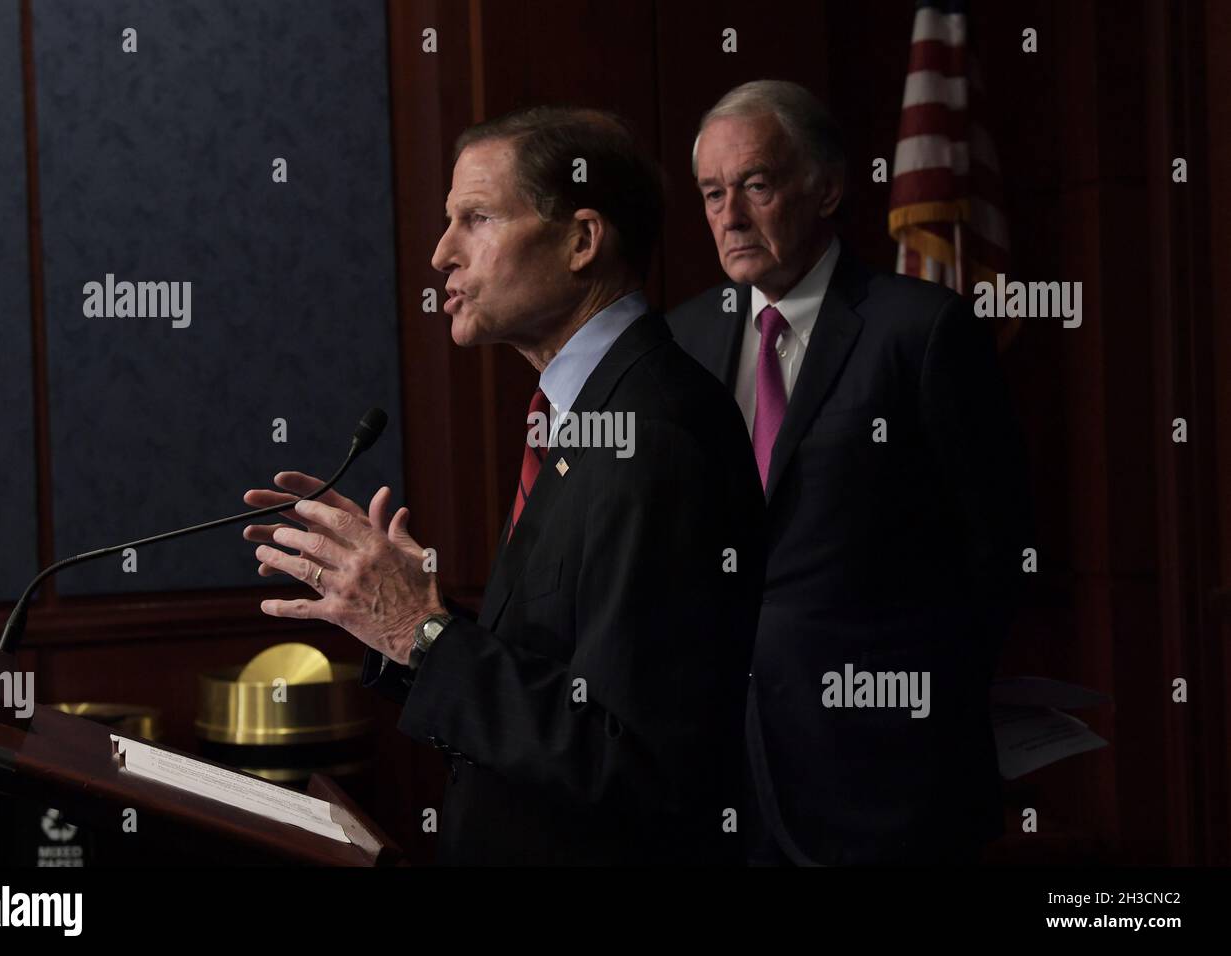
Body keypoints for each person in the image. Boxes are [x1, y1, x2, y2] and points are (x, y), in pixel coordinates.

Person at [243, 107, 765, 865]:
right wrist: (402, 623)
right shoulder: (582, 414)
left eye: (476, 219)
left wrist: (422, 635)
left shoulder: (657, 432)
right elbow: (558, 678)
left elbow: (635, 763)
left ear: (583, 240)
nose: (440, 254)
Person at [669, 80, 1032, 865]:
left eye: (756, 186)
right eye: (712, 194)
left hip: (888, 786)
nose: (730, 215)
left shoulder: (922, 330)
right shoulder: (684, 337)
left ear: (827, 187)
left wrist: (917, 714)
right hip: (726, 778)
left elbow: (997, 554)